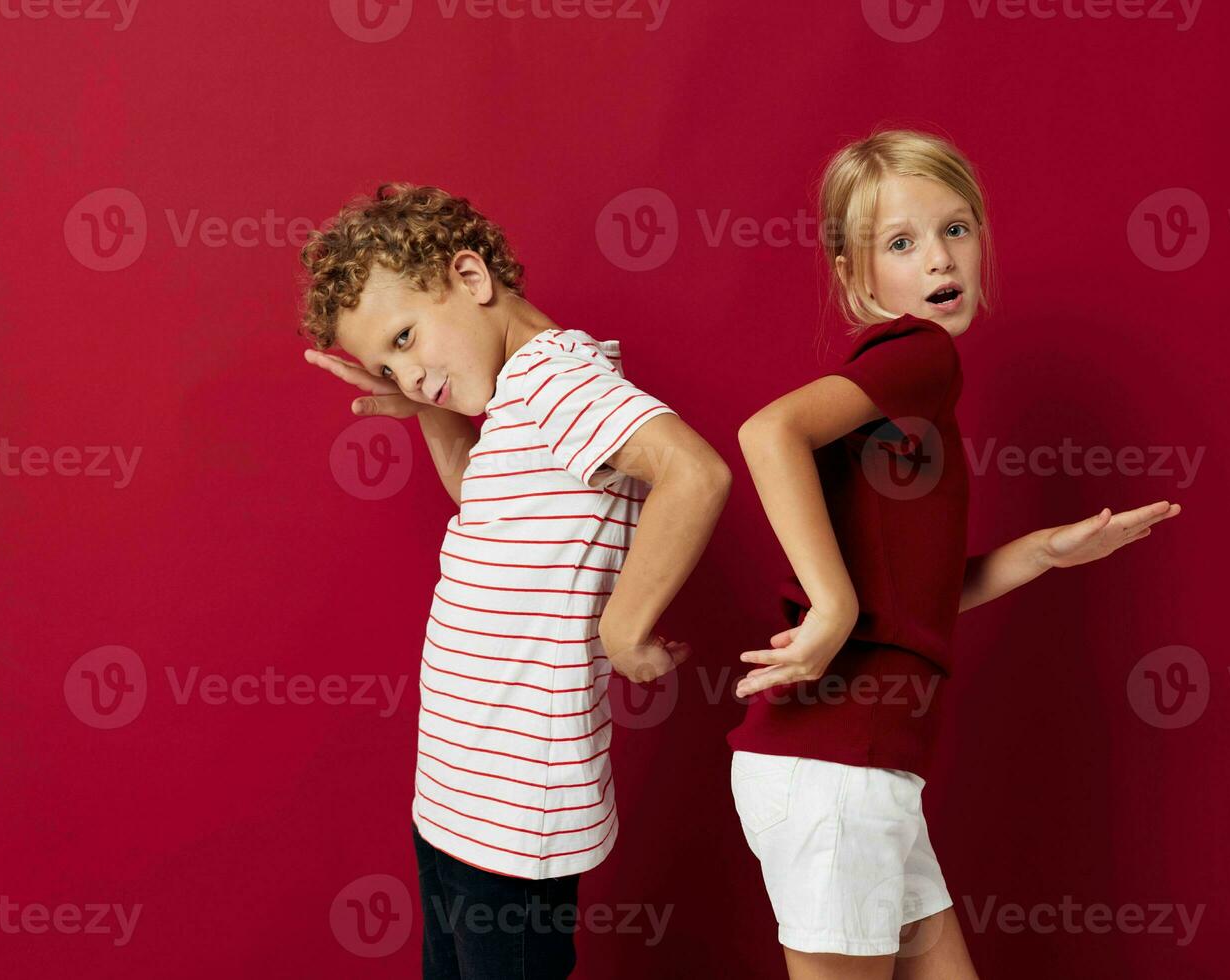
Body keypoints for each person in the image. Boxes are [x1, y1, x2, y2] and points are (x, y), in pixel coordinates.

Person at [726, 130, 1182, 979]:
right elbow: (767, 431)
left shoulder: (895, 391)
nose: (940, 259)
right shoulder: (920, 358)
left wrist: (1046, 550)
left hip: (862, 769)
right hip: (839, 770)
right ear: (857, 276)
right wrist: (833, 606)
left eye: (957, 229)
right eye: (901, 243)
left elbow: (913, 595)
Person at [297, 183, 731, 978]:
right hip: (458, 787)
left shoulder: (555, 378)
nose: (408, 370)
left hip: (513, 804)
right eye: (386, 362)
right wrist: (427, 410)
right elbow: (483, 497)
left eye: (405, 335)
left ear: (470, 279)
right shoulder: (516, 406)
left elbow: (693, 473)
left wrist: (622, 626)